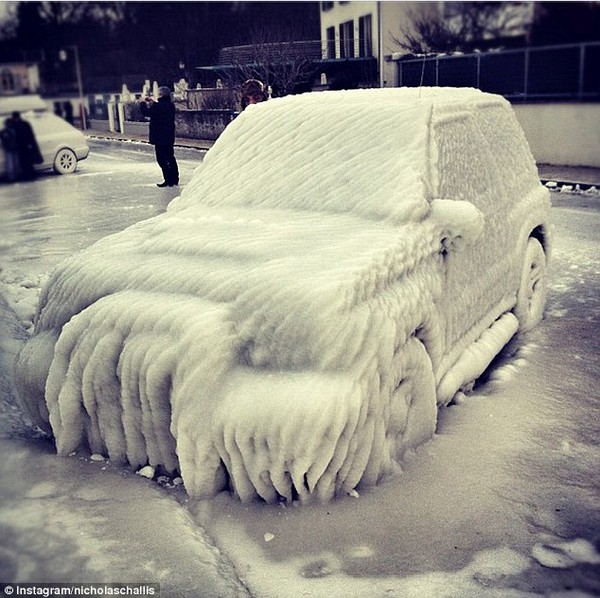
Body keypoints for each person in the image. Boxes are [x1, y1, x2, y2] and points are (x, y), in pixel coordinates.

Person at [139, 85, 179, 187]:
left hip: (159, 137)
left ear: (160, 95)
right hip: (169, 136)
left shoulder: (158, 106)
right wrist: (154, 103)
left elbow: (146, 113)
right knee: (170, 157)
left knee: (161, 158)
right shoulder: (170, 105)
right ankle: (175, 178)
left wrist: (142, 103)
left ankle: (168, 179)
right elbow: (160, 109)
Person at [10, 111, 43, 181]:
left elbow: (30, 135)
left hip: (25, 146)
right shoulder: (20, 124)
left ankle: (30, 175)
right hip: (22, 146)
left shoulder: (22, 124)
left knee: (27, 162)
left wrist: (30, 144)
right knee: (24, 162)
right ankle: (28, 175)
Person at [1, 117, 20, 182]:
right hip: (9, 149)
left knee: (15, 163)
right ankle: (12, 177)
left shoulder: (12, 130)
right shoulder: (5, 131)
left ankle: (15, 176)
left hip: (13, 148)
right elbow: (4, 140)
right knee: (11, 163)